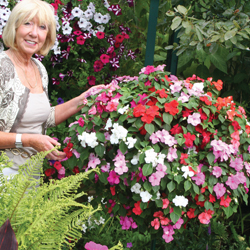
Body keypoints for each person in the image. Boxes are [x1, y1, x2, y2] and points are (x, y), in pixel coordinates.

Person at [0, 0, 104, 177]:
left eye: (42, 27)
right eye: (27, 24)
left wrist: (85, 98)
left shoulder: (39, 69)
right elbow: (30, 137)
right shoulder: (2, 67)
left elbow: (44, 118)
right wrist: (30, 140)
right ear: (15, 27)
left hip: (30, 175)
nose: (34, 33)